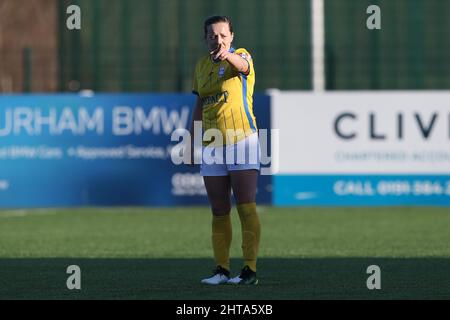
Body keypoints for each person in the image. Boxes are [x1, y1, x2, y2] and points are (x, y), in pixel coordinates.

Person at [189, 15, 261, 285]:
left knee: (245, 206)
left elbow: (243, 67)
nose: (217, 40)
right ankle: (221, 270)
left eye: (222, 35)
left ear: (231, 37)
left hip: (242, 140)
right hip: (211, 145)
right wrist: (191, 142)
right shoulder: (201, 66)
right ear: (206, 38)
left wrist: (227, 56)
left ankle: (250, 270)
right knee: (219, 210)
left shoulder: (241, 56)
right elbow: (200, 105)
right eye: (212, 35)